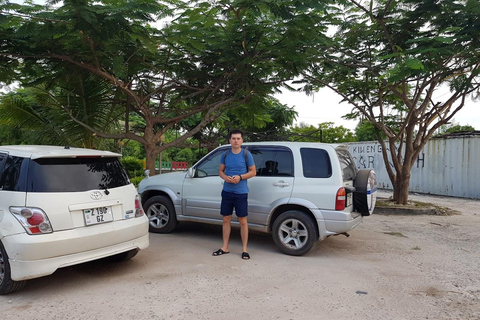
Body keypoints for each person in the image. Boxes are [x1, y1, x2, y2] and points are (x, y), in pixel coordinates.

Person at [212, 129, 256, 260]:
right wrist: (225, 177)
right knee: (226, 219)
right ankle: (225, 247)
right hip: (227, 191)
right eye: (233, 138)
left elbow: (253, 172)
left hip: (241, 193)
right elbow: (220, 170)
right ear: (230, 140)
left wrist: (240, 177)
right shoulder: (225, 154)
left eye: (238, 138)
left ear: (242, 140)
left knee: (242, 220)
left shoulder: (246, 154)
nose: (236, 141)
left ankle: (244, 249)